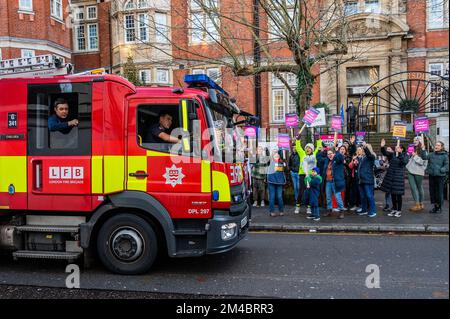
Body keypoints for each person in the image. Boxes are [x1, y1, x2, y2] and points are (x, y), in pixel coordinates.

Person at [380, 139, 408, 218]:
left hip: (398, 178)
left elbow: (404, 162)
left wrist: (400, 154)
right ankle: (394, 209)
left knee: (398, 195)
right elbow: (385, 153)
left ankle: (399, 210)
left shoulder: (405, 155)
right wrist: (382, 146)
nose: (396, 148)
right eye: (396, 147)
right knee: (392, 194)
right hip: (391, 177)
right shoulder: (392, 155)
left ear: (402, 149)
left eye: (398, 147)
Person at [420, 141, 449, 214]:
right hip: (432, 175)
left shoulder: (445, 155)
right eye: (436, 145)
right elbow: (424, 157)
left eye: (438, 145)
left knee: (439, 192)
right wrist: (423, 149)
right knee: (432, 192)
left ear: (441, 147)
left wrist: (442, 170)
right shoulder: (431, 154)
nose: (436, 146)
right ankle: (435, 207)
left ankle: (439, 207)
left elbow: (447, 165)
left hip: (440, 176)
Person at [294, 136, 322, 210]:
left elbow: (319, 146)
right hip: (302, 175)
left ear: (312, 149)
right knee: (301, 191)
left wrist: (318, 139)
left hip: (311, 176)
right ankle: (297, 206)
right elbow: (298, 147)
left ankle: (309, 207)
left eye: (309, 148)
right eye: (306, 148)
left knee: (309, 191)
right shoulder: (302, 154)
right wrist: (297, 140)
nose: (307, 149)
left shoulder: (314, 154)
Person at [321, 148, 346, 218]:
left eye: (331, 154)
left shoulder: (337, 160)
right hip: (328, 181)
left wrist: (337, 152)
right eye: (328, 154)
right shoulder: (327, 161)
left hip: (335, 182)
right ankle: (329, 210)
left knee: (338, 197)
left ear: (334, 154)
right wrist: (323, 150)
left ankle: (341, 211)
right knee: (328, 197)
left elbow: (341, 157)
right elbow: (319, 157)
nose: (329, 155)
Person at [406, 136, 428, 212]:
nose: (414, 141)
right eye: (414, 139)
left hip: (418, 171)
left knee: (419, 187)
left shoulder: (423, 150)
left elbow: (423, 162)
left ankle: (421, 203)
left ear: (420, 141)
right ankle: (417, 204)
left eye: (416, 140)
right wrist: (408, 155)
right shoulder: (412, 148)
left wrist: (415, 156)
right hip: (410, 171)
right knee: (413, 188)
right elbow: (408, 158)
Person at [355, 143, 377, 217]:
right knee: (363, 196)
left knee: (369, 195)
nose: (363, 150)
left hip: (368, 179)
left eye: (364, 148)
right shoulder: (362, 157)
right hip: (361, 180)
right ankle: (364, 210)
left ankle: (373, 211)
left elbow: (369, 155)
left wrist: (365, 147)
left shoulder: (372, 156)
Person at [267, 150, 286, 217]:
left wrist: (282, 150)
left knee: (279, 197)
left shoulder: (282, 162)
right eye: (275, 154)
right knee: (272, 197)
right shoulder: (270, 162)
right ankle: (272, 211)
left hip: (279, 182)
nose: (276, 155)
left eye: (277, 154)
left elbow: (285, 170)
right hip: (271, 182)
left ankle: (281, 211)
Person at [288, 143, 300, 213]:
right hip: (293, 172)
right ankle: (296, 200)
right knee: (295, 187)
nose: (294, 149)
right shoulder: (291, 155)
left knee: (298, 187)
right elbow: (289, 164)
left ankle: (299, 199)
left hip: (298, 172)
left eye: (295, 147)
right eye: (293, 148)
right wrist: (291, 169)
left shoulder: (299, 155)